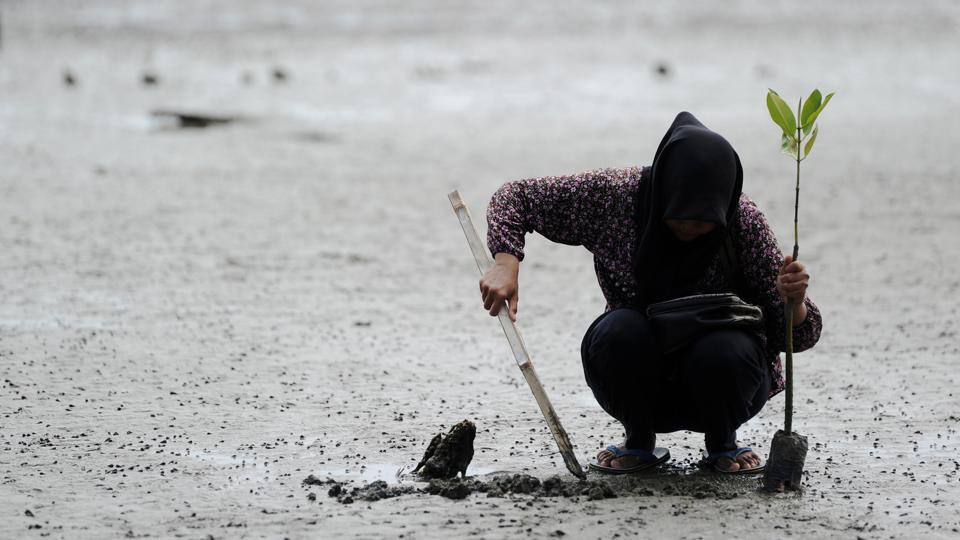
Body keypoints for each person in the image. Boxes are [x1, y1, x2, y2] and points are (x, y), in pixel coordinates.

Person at [479, 112, 822, 474]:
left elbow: (800, 335)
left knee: (724, 349)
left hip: (724, 381)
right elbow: (514, 197)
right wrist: (506, 261)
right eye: (679, 215)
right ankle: (638, 439)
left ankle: (724, 442)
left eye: (704, 220)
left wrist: (794, 302)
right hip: (637, 374)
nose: (690, 226)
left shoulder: (743, 221)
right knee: (620, 330)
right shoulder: (616, 197)